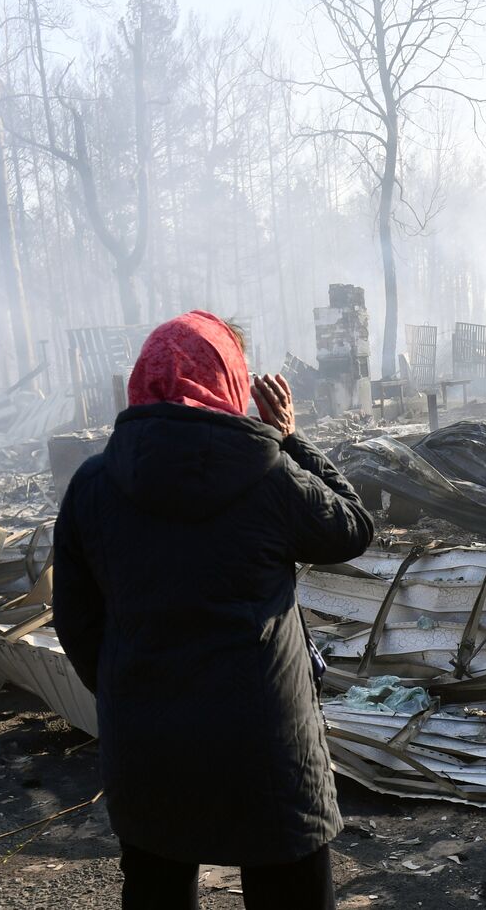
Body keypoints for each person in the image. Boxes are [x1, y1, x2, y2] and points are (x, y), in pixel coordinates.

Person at [52, 309, 374, 909]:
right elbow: (353, 528)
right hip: (267, 744)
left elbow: (75, 619)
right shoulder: (271, 475)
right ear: (230, 380)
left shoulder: (94, 486)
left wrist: (129, 689)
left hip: (147, 744)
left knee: (157, 888)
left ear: (143, 381)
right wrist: (290, 437)